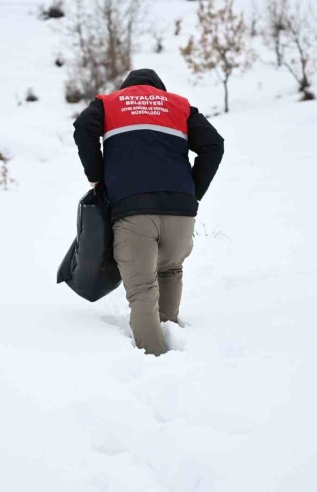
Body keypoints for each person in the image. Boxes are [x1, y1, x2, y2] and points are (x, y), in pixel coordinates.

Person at [73, 69, 224, 356]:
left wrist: (96, 176)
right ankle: (171, 341)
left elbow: (83, 128)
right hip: (180, 214)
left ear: (126, 86)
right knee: (171, 270)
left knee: (142, 290)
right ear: (159, 88)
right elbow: (214, 145)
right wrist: (193, 192)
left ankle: (155, 364)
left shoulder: (108, 103)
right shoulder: (179, 106)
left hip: (133, 211)